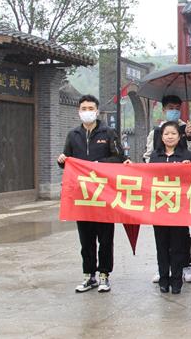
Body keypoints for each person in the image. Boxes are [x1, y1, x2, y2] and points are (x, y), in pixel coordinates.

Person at [57, 95, 126, 293]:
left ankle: (104, 274)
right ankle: (89, 275)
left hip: (104, 195)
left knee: (105, 238)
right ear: (79, 111)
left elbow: (119, 158)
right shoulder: (73, 135)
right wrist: (62, 160)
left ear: (97, 111)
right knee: (85, 239)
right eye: (84, 108)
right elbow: (67, 161)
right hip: (82, 196)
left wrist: (98, 165)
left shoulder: (108, 132)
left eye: (90, 108)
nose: (87, 111)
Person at [144, 94, 191, 285]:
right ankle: (163, 268)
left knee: (182, 232)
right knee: (162, 233)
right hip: (160, 190)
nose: (173, 111)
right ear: (163, 110)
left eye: (176, 108)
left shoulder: (187, 128)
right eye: (170, 108)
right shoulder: (155, 132)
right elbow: (147, 157)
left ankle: (185, 264)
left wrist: (190, 137)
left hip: (181, 191)